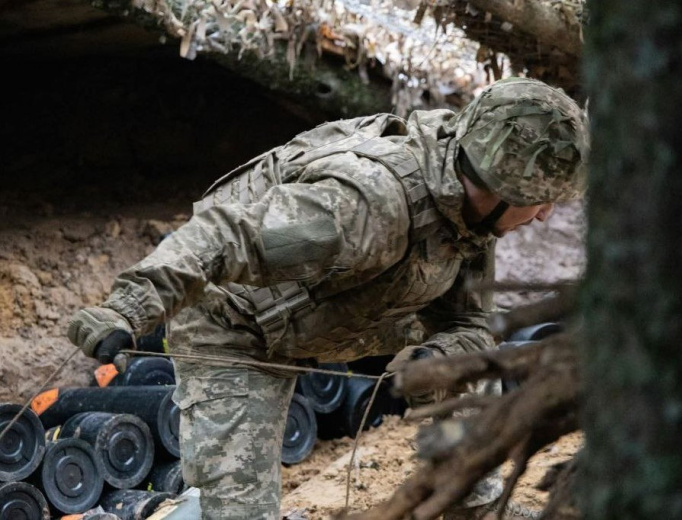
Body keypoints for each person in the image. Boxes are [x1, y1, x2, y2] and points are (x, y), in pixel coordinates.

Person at [67, 76, 589, 519]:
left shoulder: (469, 214)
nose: (543, 216)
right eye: (539, 202)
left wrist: (439, 358)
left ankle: (472, 505)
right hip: (238, 330)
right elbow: (224, 235)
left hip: (357, 310)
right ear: (496, 184)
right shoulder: (364, 207)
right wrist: (130, 306)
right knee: (239, 510)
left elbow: (473, 323)